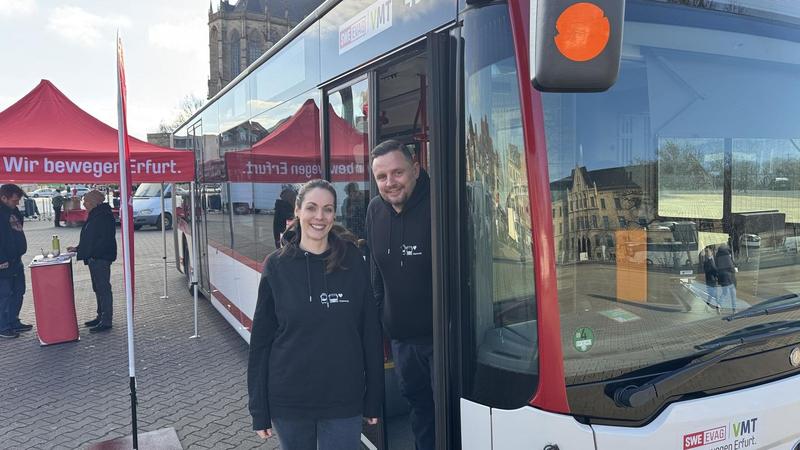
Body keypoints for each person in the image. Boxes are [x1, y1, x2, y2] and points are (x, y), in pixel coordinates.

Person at [248, 179, 383, 450]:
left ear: (335, 214)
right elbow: (261, 343)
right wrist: (259, 409)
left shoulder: (353, 261)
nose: (319, 217)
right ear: (297, 211)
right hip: (290, 400)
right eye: (311, 208)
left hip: (344, 399)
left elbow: (370, 333)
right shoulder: (276, 266)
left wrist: (374, 398)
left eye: (328, 209)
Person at [366, 140, 435, 450]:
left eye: (398, 172)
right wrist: (380, 322)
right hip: (402, 341)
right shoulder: (374, 210)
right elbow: (376, 275)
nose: (390, 182)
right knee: (419, 409)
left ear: (416, 169)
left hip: (442, 342)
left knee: (448, 411)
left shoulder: (440, 203)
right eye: (382, 176)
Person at [66, 190, 117, 333]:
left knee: (103, 289)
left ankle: (106, 320)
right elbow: (90, 237)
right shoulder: (98, 214)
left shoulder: (103, 216)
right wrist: (78, 248)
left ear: (94, 202)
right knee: (98, 288)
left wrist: (90, 252)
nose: (84, 205)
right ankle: (100, 315)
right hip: (96, 257)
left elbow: (99, 240)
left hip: (100, 257)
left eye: (86, 202)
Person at [0, 184, 32, 339]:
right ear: (3, 198)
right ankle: (3, 326)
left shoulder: (13, 211)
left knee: (19, 291)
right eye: (14, 200)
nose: (17, 203)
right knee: (4, 294)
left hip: (16, 260)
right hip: (3, 262)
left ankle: (13, 320)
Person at [715, 244, 737, 311]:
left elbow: (716, 266)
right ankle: (734, 309)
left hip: (722, 277)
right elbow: (731, 266)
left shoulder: (717, 256)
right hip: (729, 277)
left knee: (724, 292)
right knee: (733, 293)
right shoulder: (726, 255)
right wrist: (734, 270)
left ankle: (719, 305)